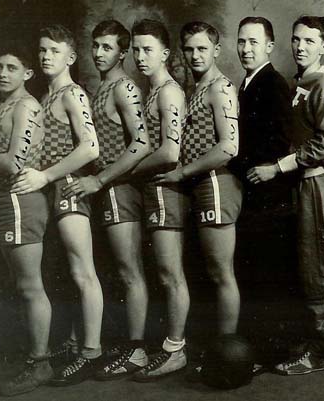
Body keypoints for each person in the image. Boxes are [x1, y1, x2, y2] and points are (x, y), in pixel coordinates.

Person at [247, 16, 324, 376]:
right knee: (303, 267)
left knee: (320, 267)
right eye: (296, 40)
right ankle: (308, 342)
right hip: (299, 185)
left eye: (309, 41)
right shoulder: (297, 83)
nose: (300, 47)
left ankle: (321, 351)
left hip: (318, 183)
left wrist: (279, 166)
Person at [10, 24, 104, 385]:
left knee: (83, 271)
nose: (46, 56)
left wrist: (47, 177)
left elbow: (90, 147)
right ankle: (78, 342)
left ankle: (91, 354)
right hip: (51, 188)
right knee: (68, 272)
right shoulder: (48, 95)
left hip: (67, 185)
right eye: (42, 50)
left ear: (71, 56)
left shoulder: (72, 93)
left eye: (54, 50)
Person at [59, 20, 151, 379]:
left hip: (119, 187)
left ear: (123, 53)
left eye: (107, 47)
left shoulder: (125, 87)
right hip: (103, 188)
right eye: (95, 45)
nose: (98, 53)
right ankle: (120, 344)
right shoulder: (100, 87)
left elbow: (141, 144)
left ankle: (138, 350)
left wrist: (100, 179)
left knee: (130, 271)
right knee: (115, 271)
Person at [152, 20, 241, 352]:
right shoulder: (195, 88)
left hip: (216, 182)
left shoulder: (220, 87)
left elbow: (229, 147)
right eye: (188, 49)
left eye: (202, 48)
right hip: (198, 183)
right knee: (209, 272)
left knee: (221, 273)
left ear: (216, 51)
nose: (194, 55)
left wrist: (182, 173)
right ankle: (217, 349)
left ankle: (228, 351)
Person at [0, 42, 51, 396]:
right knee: (21, 285)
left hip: (21, 202)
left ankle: (41, 363)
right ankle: (34, 357)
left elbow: (14, 163)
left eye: (12, 68)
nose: (3, 74)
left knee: (30, 285)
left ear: (28, 73)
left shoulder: (27, 107)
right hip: (2, 202)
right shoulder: (4, 106)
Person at [123, 19, 190, 382]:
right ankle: (168, 347)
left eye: (148, 49)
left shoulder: (168, 91)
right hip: (153, 191)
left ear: (165, 53)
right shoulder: (151, 91)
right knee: (162, 273)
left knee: (170, 274)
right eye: (135, 49)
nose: (140, 56)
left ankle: (175, 350)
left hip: (166, 189)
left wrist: (128, 170)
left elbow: (169, 151)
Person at [232, 16, 296, 361]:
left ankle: (272, 351)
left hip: (270, 195)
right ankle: (256, 349)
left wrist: (267, 170)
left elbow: (284, 140)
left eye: (253, 42)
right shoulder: (246, 83)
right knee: (255, 272)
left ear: (269, 46)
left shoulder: (273, 83)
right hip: (252, 191)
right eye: (241, 41)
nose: (246, 49)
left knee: (269, 274)